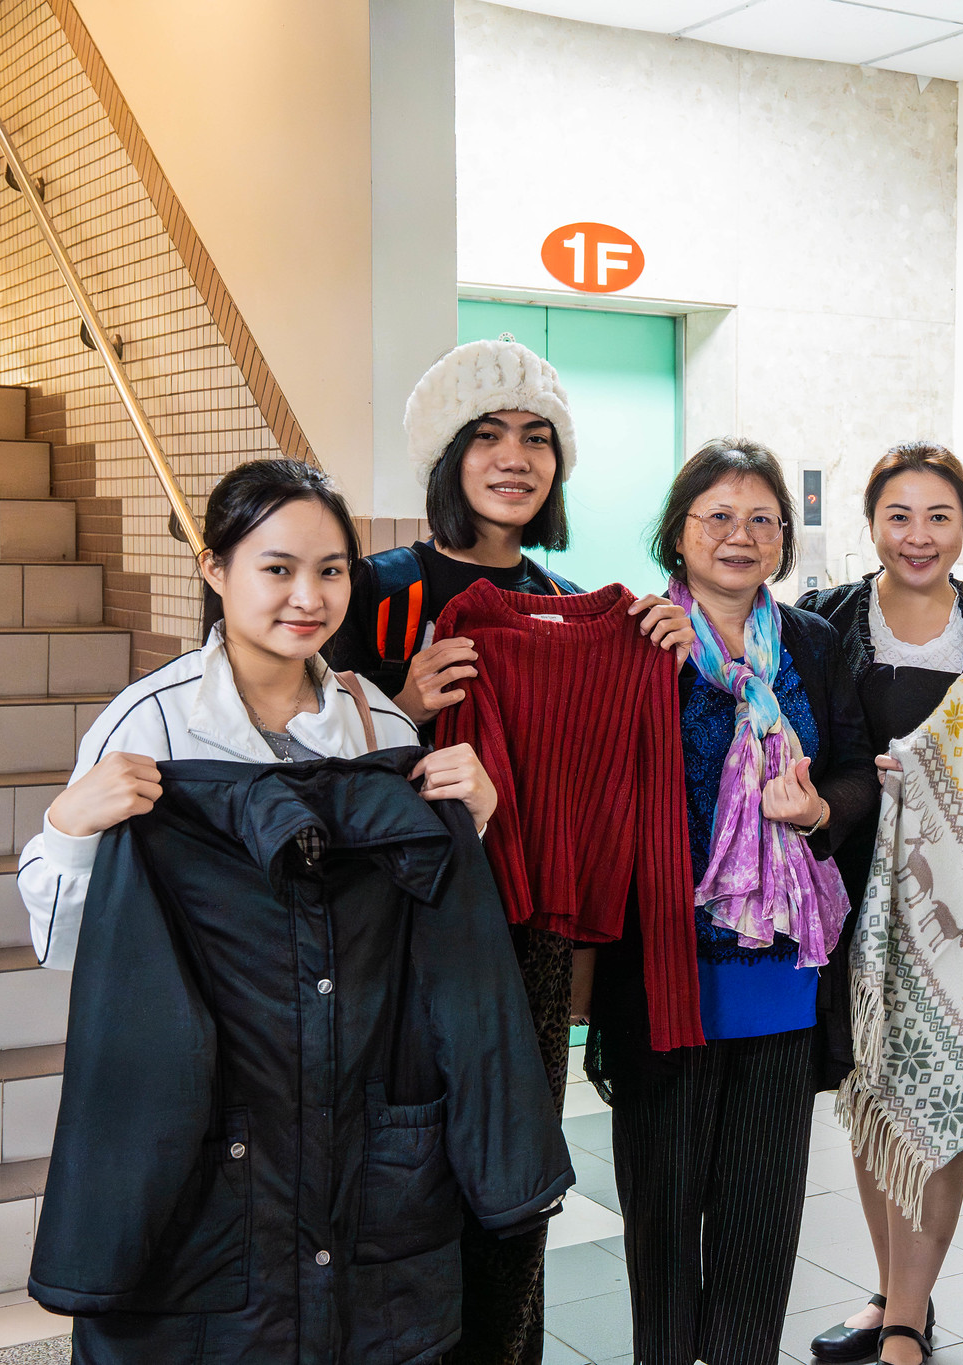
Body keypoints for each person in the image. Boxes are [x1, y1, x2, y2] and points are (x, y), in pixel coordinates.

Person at [325, 338, 692, 1365]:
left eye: (537, 437)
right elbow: (306, 758)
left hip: (527, 943)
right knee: (395, 1175)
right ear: (446, 456)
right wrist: (401, 706)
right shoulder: (375, 589)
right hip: (394, 936)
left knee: (514, 1177)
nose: (515, 458)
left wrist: (668, 654)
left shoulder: (570, 596)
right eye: (487, 435)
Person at [587, 437, 878, 1365]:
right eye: (717, 515)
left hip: (783, 973)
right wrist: (657, 674)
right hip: (666, 968)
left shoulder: (815, 642)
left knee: (762, 1213)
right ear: (678, 532)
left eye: (761, 518)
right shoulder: (636, 637)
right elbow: (595, 785)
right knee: (664, 1214)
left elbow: (858, 769)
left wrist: (820, 809)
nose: (739, 535)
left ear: (783, 537)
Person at [19, 457, 492, 969]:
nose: (309, 598)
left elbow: (418, 921)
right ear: (215, 570)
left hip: (360, 1016)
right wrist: (68, 831)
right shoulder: (150, 720)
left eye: (331, 571)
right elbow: (67, 947)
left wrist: (470, 825)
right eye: (278, 569)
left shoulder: (382, 724)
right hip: (207, 1017)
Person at [797, 443, 963, 1365]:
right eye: (898, 515)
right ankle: (893, 1288)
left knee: (936, 1097)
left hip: (955, 910)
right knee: (871, 1101)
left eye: (939, 516)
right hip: (847, 892)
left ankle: (906, 1315)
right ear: (871, 523)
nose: (918, 535)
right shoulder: (825, 623)